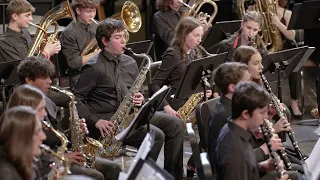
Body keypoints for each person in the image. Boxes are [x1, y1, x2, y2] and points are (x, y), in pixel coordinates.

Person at [74, 18, 184, 179]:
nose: (123, 40)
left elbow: (134, 91)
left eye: (124, 36)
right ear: (104, 41)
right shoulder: (93, 67)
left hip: (131, 115)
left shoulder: (130, 62)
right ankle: (141, 176)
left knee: (176, 124)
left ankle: (172, 175)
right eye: (117, 37)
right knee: (155, 136)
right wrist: (96, 120)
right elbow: (75, 99)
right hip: (109, 121)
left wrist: (140, 98)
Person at [16, 57, 121, 180]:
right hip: (46, 166)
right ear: (29, 80)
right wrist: (63, 157)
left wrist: (73, 130)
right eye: (44, 77)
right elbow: (27, 153)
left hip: (59, 156)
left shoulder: (46, 102)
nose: (50, 81)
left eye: (50, 77)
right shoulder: (21, 108)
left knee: (114, 168)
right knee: (96, 176)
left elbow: (54, 137)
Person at [212, 81, 289, 180]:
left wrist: (261, 167)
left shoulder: (233, 130)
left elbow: (244, 171)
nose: (265, 117)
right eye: (262, 113)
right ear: (246, 114)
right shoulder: (235, 149)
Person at [151, 16, 212, 116]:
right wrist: (167, 108)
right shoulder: (172, 54)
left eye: (201, 36)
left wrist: (203, 91)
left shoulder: (195, 52)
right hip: (175, 104)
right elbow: (155, 84)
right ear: (184, 35)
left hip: (191, 102)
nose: (200, 40)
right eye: (196, 36)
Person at [270, 0, 302, 119]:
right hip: (268, 50)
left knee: (296, 67)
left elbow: (291, 35)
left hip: (285, 50)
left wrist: (278, 23)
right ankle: (270, 104)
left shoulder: (287, 13)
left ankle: (294, 103)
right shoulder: (261, 13)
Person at [60, 0, 101, 88]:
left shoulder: (97, 26)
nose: (92, 15)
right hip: (79, 75)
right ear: (78, 11)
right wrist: (98, 52)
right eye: (88, 12)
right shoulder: (69, 32)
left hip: (99, 70)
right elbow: (74, 63)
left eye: (94, 11)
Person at [0, 106, 47, 180]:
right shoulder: (8, 174)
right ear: (20, 138)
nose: (43, 137)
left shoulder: (27, 163)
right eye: (37, 132)